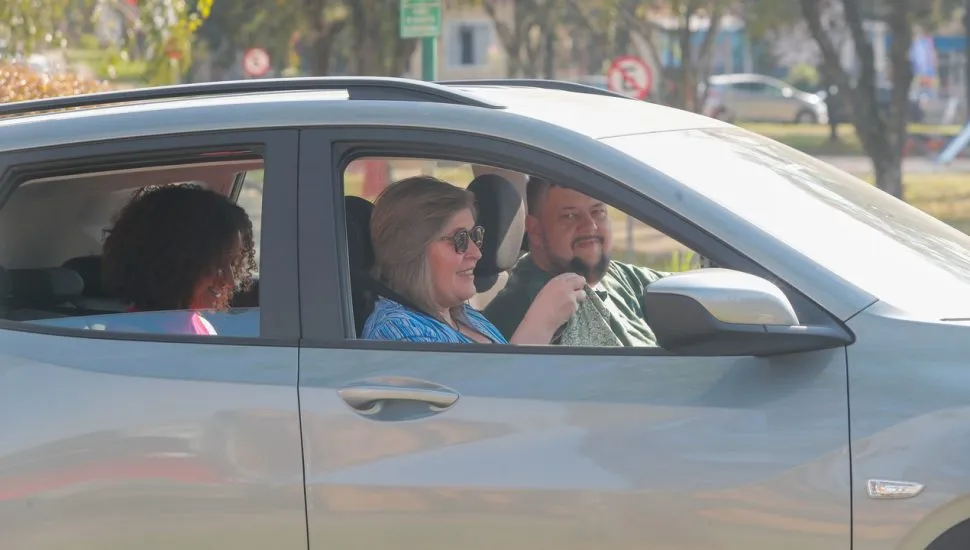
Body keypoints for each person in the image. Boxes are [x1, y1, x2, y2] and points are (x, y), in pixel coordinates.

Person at [363, 175, 586, 344]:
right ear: (411, 250)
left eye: (474, 236)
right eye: (459, 239)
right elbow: (482, 403)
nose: (476, 252)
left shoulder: (463, 316)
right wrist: (541, 323)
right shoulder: (399, 333)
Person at [484, 176, 668, 347]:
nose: (590, 225)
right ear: (536, 231)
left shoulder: (619, 277)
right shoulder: (525, 316)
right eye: (570, 216)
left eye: (598, 211)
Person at [102, 183, 257, 335]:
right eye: (217, 264)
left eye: (232, 263)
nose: (229, 281)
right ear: (174, 262)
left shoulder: (202, 326)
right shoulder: (129, 338)